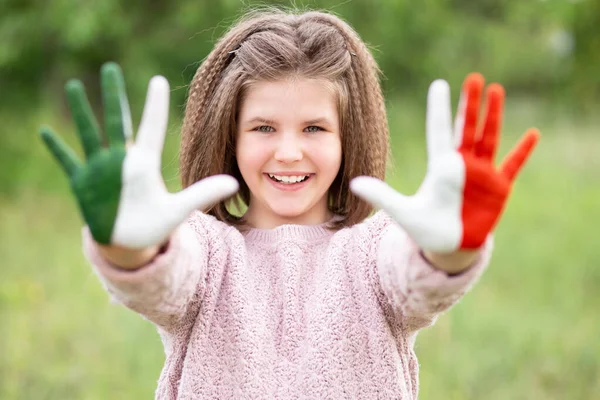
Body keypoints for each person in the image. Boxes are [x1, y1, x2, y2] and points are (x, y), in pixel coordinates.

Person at [39, 9, 540, 400]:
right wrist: (130, 245)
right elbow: (161, 280)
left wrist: (452, 248)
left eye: (315, 129)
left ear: (349, 139)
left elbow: (418, 278)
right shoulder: (207, 250)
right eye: (263, 128)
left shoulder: (372, 250)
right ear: (228, 137)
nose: (288, 151)